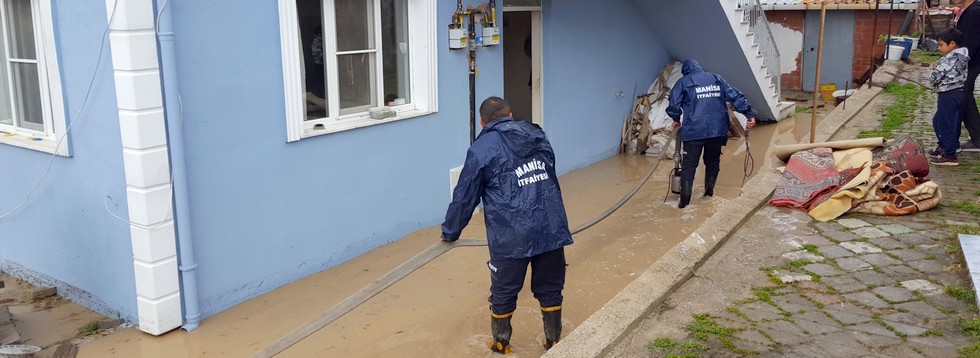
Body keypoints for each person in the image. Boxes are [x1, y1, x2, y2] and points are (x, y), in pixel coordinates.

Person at [440, 96, 573, 354]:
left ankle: (501, 345)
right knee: (550, 288)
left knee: (503, 293)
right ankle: (554, 343)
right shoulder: (537, 134)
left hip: (511, 236)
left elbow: (465, 197)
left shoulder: (481, 149)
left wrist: (450, 231)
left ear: (482, 122)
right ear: (510, 115)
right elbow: (549, 172)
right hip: (551, 227)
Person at [666, 59, 756, 209]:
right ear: (700, 68)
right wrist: (749, 113)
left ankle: (684, 205)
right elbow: (735, 95)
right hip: (717, 130)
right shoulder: (716, 78)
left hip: (694, 131)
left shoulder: (683, 82)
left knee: (689, 166)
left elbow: (673, 105)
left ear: (686, 71)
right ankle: (708, 195)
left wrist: (676, 119)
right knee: (712, 162)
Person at [930, 29, 970, 166]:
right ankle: (943, 146)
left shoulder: (949, 58)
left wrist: (935, 69)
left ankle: (950, 155)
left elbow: (935, 77)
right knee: (938, 120)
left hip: (947, 94)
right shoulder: (963, 56)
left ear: (952, 44)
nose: (939, 48)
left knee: (944, 124)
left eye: (941, 45)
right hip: (958, 93)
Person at [953, 0, 980, 152]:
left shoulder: (975, 11)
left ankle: (953, 139)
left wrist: (959, 62)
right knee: (965, 96)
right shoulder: (969, 11)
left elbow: (972, 42)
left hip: (972, 62)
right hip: (969, 61)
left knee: (961, 96)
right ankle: (977, 137)